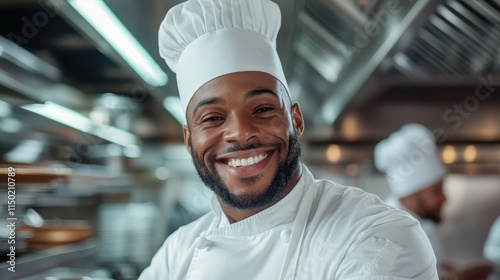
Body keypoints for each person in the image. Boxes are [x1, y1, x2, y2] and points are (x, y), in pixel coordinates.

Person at [139, 0, 437, 279]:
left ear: (295, 120)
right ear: (189, 140)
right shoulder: (176, 254)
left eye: (263, 109)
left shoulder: (375, 236)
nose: (241, 133)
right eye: (213, 118)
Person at [375, 123, 493, 280]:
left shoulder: (425, 224)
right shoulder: (387, 232)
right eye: (436, 190)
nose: (445, 198)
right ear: (413, 193)